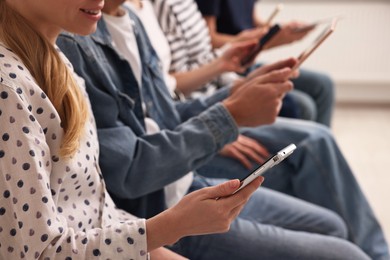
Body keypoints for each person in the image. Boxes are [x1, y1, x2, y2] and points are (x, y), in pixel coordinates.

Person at [56, 1, 388, 259]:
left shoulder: (131, 20)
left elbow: (166, 115)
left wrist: (237, 93)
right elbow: (130, 172)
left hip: (187, 182)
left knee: (333, 225)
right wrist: (230, 116)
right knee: (345, 250)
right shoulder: (77, 37)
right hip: (164, 213)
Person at [0, 0, 269, 259]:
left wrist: (159, 240)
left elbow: (97, 209)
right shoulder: (9, 89)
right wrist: (172, 225)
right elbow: (42, 253)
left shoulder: (56, 61)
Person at [155, 0, 335, 126]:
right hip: (223, 70)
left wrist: (276, 33)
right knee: (303, 107)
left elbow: (252, 21)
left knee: (322, 85)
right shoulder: (162, 9)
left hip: (229, 66)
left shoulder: (185, 4)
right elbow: (174, 83)